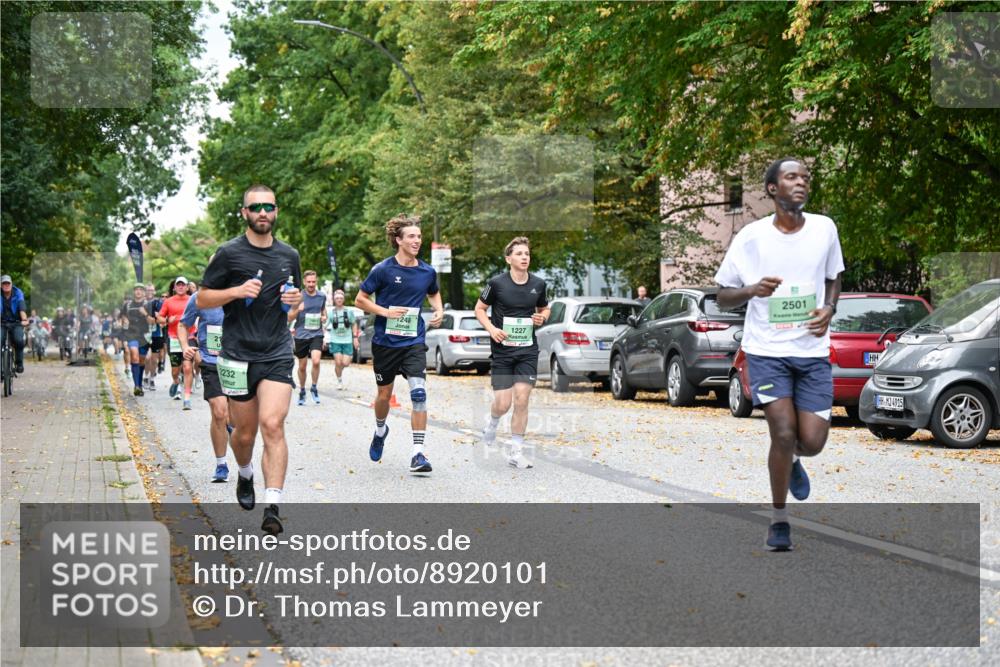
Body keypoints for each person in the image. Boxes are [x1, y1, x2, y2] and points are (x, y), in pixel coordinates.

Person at [715, 157, 844, 552]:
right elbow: (722, 296)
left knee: (813, 440)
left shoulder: (824, 229)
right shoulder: (752, 238)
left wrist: (830, 308)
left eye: (805, 177)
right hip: (767, 351)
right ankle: (779, 519)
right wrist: (752, 290)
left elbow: (834, 276)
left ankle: (792, 459)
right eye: (792, 177)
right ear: (773, 189)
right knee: (783, 432)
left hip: (812, 351)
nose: (801, 182)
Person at [198, 184, 301, 534]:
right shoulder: (228, 254)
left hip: (276, 352)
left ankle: (272, 506)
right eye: (255, 207)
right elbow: (202, 299)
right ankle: (244, 474)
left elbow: (294, 298)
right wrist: (236, 291)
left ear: (276, 212)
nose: (262, 212)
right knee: (244, 434)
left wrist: (295, 301)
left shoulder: (290, 255)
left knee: (273, 424)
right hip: (237, 353)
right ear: (244, 212)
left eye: (268, 207)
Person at [355, 214, 443, 474]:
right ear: (398, 240)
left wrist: (438, 310)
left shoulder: (427, 271)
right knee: (384, 395)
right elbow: (360, 299)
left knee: (419, 393)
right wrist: (384, 312)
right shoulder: (382, 270)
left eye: (419, 236)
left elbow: (433, 292)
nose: (417, 240)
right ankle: (381, 429)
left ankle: (418, 453)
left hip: (414, 341)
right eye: (412, 237)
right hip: (385, 343)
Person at [475, 237, 550, 469]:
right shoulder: (497, 284)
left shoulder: (538, 283)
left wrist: (542, 317)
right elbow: (479, 309)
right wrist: (492, 329)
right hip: (502, 352)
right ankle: (493, 422)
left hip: (527, 350)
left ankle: (516, 452)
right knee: (503, 403)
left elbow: (544, 308)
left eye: (527, 253)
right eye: (519, 254)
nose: (524, 257)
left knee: (522, 399)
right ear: (509, 259)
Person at [179, 285, 231, 483]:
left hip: (238, 363)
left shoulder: (243, 295)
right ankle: (221, 464)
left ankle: (244, 464)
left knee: (234, 419)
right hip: (210, 361)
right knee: (219, 412)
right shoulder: (200, 298)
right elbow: (183, 325)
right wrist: (187, 347)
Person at [158, 277, 195, 408]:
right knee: (175, 370)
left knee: (187, 367)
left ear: (187, 287)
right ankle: (176, 382)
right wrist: (168, 320)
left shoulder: (192, 300)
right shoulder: (168, 302)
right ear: (174, 288)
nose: (180, 287)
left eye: (183, 285)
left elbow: (200, 315)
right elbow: (160, 318)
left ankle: (187, 398)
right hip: (173, 338)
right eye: (178, 285)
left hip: (189, 337)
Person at [291, 270, 327, 405]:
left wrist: (324, 317)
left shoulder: (322, 296)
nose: (311, 284)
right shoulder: (298, 296)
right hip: (301, 335)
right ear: (305, 282)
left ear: (316, 281)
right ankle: (302, 390)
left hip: (316, 334)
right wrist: (297, 310)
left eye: (313, 281)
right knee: (302, 366)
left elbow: (324, 312)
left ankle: (314, 387)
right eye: (309, 282)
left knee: (316, 361)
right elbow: (289, 316)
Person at [121, 284, 153, 396]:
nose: (138, 292)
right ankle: (137, 386)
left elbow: (152, 321)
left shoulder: (148, 305)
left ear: (144, 292)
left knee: (141, 361)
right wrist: (125, 324)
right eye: (136, 290)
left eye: (140, 290)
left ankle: (139, 384)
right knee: (134, 356)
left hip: (144, 335)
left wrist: (145, 314)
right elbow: (123, 318)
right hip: (131, 334)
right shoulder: (127, 305)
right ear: (134, 292)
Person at [326, 289, 359, 390]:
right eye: (337, 298)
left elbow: (354, 324)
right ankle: (339, 381)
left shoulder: (349, 312)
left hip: (347, 340)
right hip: (335, 340)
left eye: (341, 298)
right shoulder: (331, 313)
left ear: (343, 299)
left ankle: (340, 368)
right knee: (338, 362)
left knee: (345, 363)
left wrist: (355, 338)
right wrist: (323, 337)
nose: (339, 300)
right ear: (334, 300)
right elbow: (325, 325)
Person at [0, 275, 28, 374]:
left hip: (16, 322)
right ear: (0, 285)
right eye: (4, 283)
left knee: (19, 340)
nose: (6, 285)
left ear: (11, 284)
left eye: (8, 283)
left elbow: (21, 306)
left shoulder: (18, 292)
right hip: (1, 323)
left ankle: (19, 363)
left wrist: (24, 319)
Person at [145, 284, 164, 391]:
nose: (150, 292)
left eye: (152, 290)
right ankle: (145, 376)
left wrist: (156, 318)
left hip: (156, 334)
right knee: (146, 358)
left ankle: (151, 379)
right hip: (144, 334)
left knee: (154, 360)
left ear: (154, 291)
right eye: (148, 290)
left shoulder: (158, 303)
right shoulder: (142, 304)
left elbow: (162, 319)